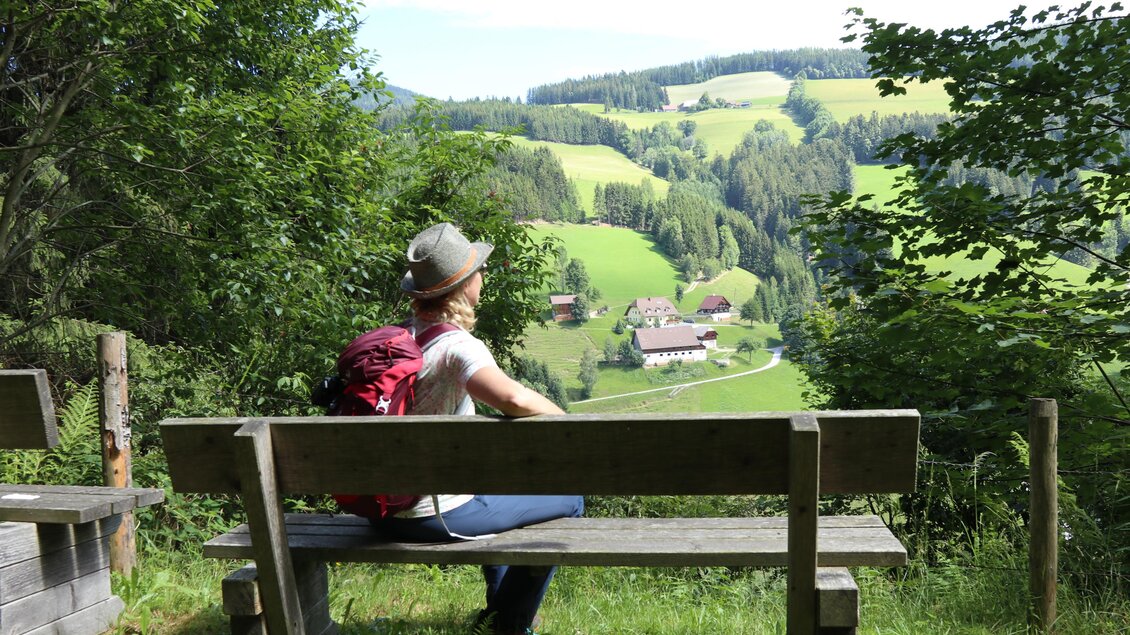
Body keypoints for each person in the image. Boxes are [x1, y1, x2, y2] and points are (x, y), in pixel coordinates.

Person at [374, 222, 584, 635]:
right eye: (478, 271)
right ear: (463, 286)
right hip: (430, 515)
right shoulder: (457, 346)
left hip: (380, 510)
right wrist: (568, 424)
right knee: (571, 499)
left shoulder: (398, 339)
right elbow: (515, 400)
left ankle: (499, 612)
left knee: (497, 488)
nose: (482, 277)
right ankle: (511, 624)